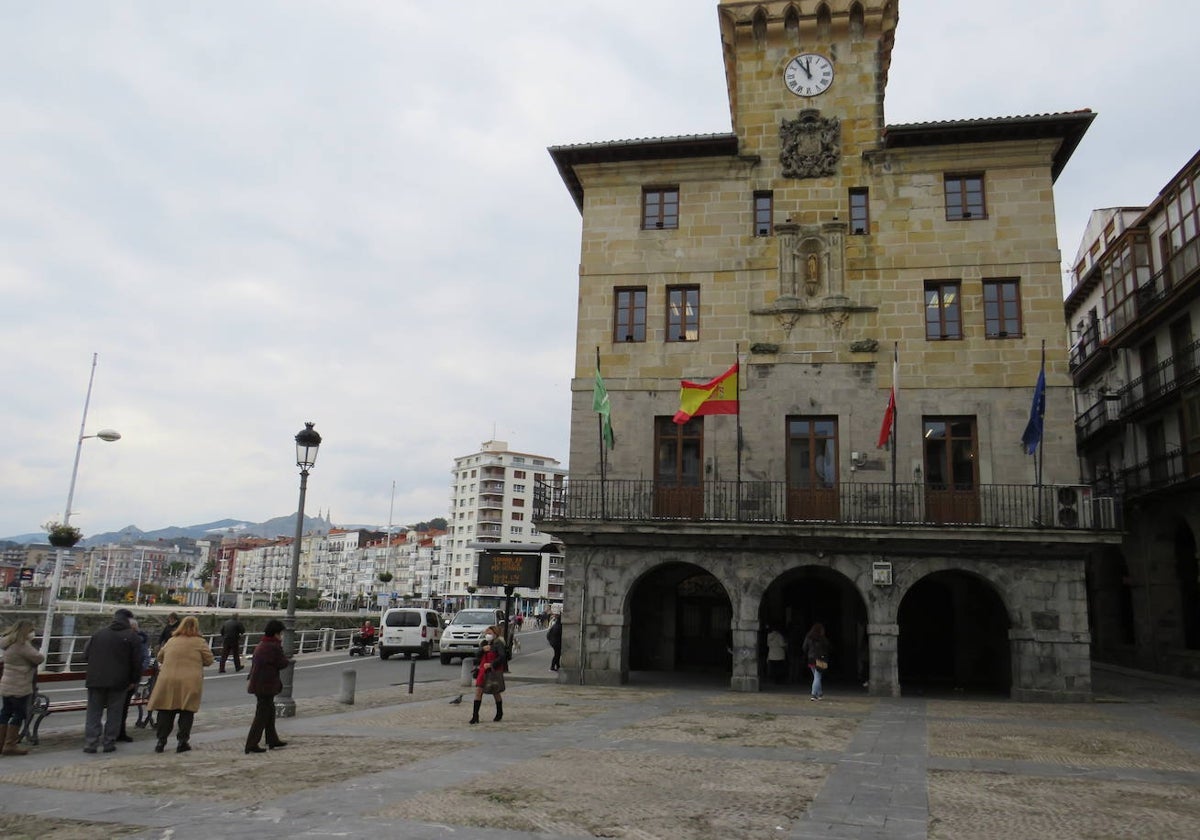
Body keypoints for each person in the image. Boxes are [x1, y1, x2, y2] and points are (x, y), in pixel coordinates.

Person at [148, 615, 214, 753]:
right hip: (189, 682)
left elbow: (160, 657)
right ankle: (182, 742)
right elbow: (209, 660)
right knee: (186, 711)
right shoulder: (199, 642)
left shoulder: (172, 640)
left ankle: (161, 741)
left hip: (168, 680)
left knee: (166, 710)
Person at [83, 607, 142, 753]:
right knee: (114, 713)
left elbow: (86, 654)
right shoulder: (132, 636)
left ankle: (91, 743)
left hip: (96, 679)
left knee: (93, 713)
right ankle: (109, 742)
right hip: (119, 681)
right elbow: (137, 661)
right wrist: (134, 680)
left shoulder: (98, 634)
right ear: (129, 620)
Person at [244, 619, 291, 754]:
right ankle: (251, 744)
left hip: (259, 683)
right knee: (262, 715)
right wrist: (286, 659)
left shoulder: (263, 644)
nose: (281, 636)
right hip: (266, 684)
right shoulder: (273, 646)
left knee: (269, 711)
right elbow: (282, 663)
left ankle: (272, 739)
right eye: (280, 633)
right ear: (276, 633)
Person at [0, 619, 45, 756]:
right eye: (31, 630)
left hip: (7, 684)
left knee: (5, 712)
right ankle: (10, 744)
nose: (33, 633)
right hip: (20, 685)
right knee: (19, 713)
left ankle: (1, 743)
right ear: (26, 631)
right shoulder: (22, 646)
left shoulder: (7, 643)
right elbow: (38, 658)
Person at [116, 618, 151, 742]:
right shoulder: (140, 640)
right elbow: (146, 659)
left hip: (126, 678)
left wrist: (136, 674)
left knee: (119, 706)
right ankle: (119, 731)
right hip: (130, 678)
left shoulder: (136, 641)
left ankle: (117, 731)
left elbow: (144, 658)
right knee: (122, 706)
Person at [468, 625, 507, 725]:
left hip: (493, 670)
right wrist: (482, 650)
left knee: (495, 691)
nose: (487, 635)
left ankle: (499, 712)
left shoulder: (498, 644)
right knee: (478, 690)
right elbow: (477, 655)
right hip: (482, 670)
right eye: (486, 633)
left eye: (490, 633)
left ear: (495, 634)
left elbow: (502, 656)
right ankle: (475, 716)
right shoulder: (484, 643)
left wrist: (492, 664)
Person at [802, 623, 831, 701]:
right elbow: (827, 647)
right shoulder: (822, 638)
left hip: (811, 658)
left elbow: (804, 647)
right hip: (820, 659)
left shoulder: (809, 637)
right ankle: (814, 694)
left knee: (816, 676)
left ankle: (819, 693)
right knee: (817, 677)